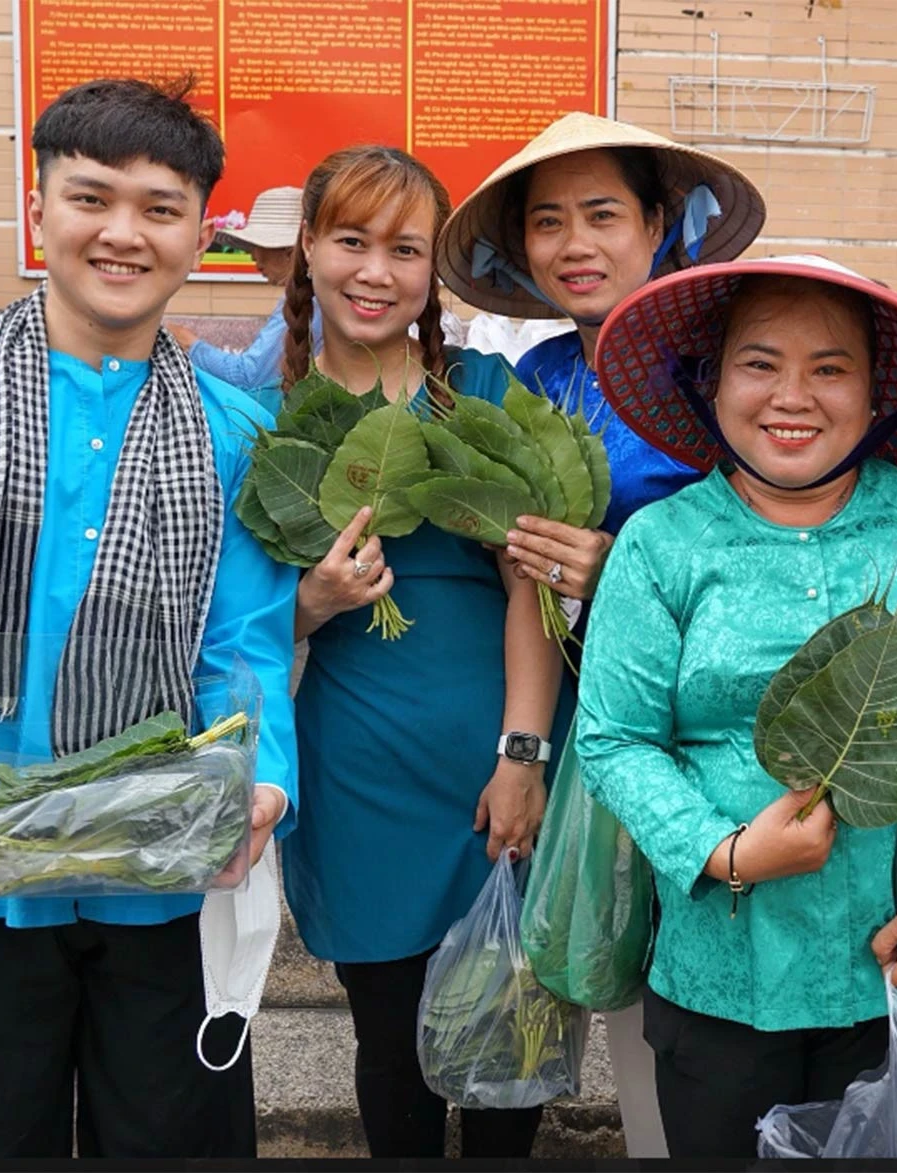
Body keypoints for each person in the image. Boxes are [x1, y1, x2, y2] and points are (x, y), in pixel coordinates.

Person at [0, 77, 298, 1158]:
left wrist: (265, 787)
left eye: (160, 207)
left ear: (198, 234)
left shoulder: (236, 433)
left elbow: (246, 642)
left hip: (168, 885)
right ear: (39, 211)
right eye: (91, 198)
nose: (122, 233)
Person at [577, 254, 897, 1157]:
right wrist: (725, 851)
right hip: (716, 975)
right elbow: (616, 737)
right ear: (710, 385)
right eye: (759, 363)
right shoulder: (661, 544)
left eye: (830, 368)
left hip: (895, 962)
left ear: (876, 395)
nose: (792, 395)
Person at [435, 110, 765, 1158]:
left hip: (724, 747)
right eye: (547, 222)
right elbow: (529, 579)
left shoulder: (728, 369)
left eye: (602, 214)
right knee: (620, 976)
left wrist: (625, 570)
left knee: (719, 1003)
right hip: (595, 733)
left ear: (661, 221)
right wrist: (524, 752)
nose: (574, 244)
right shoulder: (541, 380)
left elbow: (783, 564)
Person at [271, 144, 564, 1161]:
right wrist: (312, 601)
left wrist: (522, 756)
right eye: (350, 240)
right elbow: (246, 624)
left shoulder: (480, 390)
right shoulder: (273, 420)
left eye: (404, 249)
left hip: (495, 758)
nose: (375, 273)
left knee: (507, 1033)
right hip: (358, 774)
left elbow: (531, 582)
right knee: (391, 1048)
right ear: (308, 248)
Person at [169, 185, 320, 402]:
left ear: (290, 252)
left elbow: (249, 376)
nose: (253, 257)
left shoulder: (309, 300)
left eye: (256, 247)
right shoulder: (310, 296)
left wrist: (189, 344)